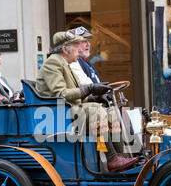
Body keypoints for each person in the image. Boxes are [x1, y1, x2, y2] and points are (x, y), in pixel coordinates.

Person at [36, 30, 139, 172]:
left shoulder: (64, 63)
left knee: (112, 112)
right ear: (65, 49)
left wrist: (95, 96)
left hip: (68, 108)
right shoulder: (53, 63)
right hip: (57, 112)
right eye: (76, 45)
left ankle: (119, 157)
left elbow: (78, 93)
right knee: (96, 111)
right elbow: (61, 94)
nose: (79, 49)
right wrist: (90, 89)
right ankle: (111, 159)